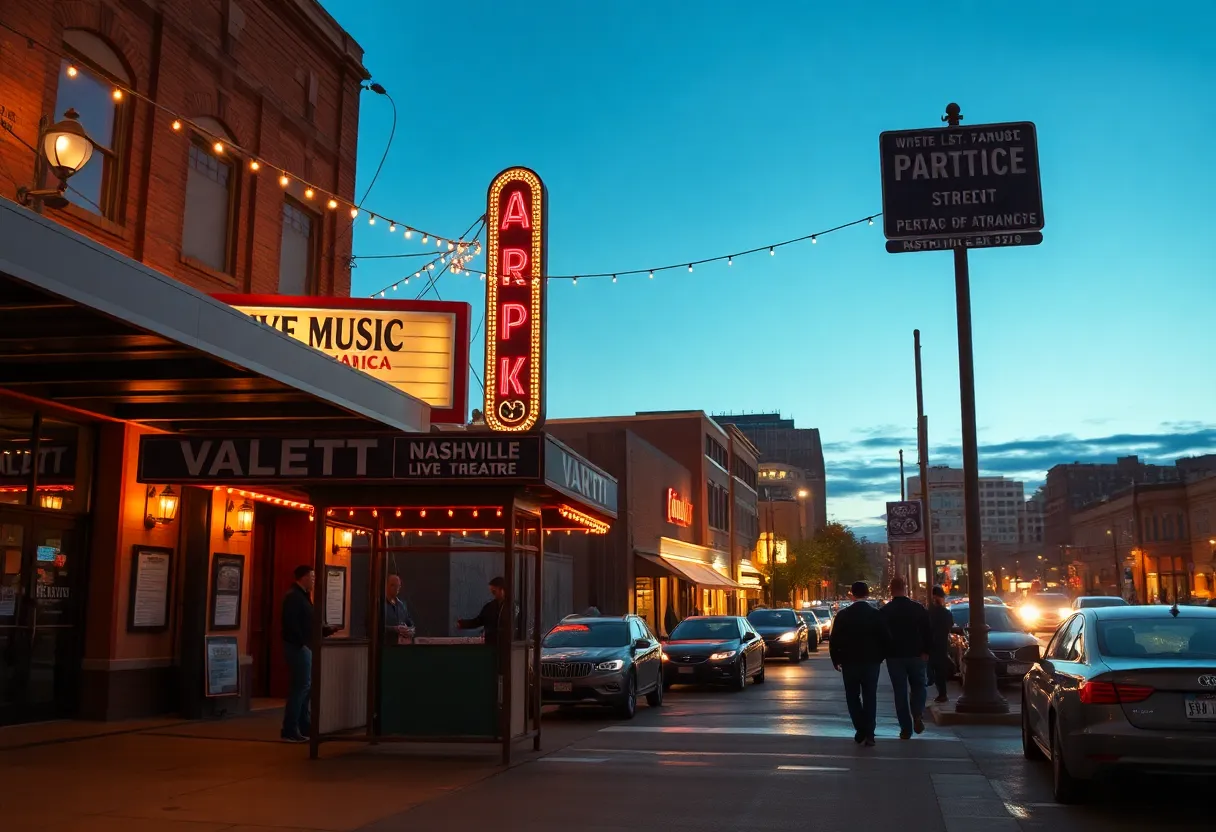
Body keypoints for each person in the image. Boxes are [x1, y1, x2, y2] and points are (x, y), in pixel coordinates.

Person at [829, 581, 890, 747]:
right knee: (870, 696)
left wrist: (836, 659)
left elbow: (834, 640)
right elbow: (886, 639)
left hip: (850, 662)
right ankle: (869, 733)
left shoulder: (843, 615)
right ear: (867, 594)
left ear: (852, 594)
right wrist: (880, 657)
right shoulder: (876, 614)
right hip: (871, 662)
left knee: (852, 696)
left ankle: (860, 728)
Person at [280, 565, 336, 743]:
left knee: (307, 687)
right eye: (311, 577)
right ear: (303, 577)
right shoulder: (294, 597)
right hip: (298, 648)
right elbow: (292, 625)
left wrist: (324, 631)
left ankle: (304, 725)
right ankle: (290, 728)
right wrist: (301, 643)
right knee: (301, 687)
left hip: (305, 646)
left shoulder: (303, 596)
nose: (314, 580)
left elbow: (308, 623)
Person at [880, 576, 932, 739]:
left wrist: (883, 653)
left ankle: (905, 728)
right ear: (906, 588)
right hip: (917, 654)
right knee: (919, 686)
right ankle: (917, 713)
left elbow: (880, 635)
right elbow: (928, 632)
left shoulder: (885, 611)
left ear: (891, 589)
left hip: (894, 656)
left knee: (900, 692)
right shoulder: (918, 608)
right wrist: (926, 651)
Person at [456, 576, 509, 646]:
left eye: (494, 591)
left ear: (502, 590)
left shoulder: (511, 607)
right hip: (491, 644)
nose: (493, 594)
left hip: (505, 645)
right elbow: (478, 621)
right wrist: (463, 624)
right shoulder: (490, 607)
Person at [927, 586, 955, 704]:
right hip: (941, 645)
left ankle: (932, 683)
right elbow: (950, 626)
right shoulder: (945, 613)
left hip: (930, 644)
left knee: (932, 668)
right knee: (940, 670)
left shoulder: (929, 612)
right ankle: (942, 693)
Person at [384, 574, 415, 644]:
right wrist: (394, 629)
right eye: (393, 585)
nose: (396, 588)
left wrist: (410, 630)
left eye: (398, 586)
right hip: (385, 646)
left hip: (401, 647)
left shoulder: (402, 604)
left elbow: (410, 622)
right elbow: (376, 627)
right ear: (386, 585)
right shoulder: (380, 605)